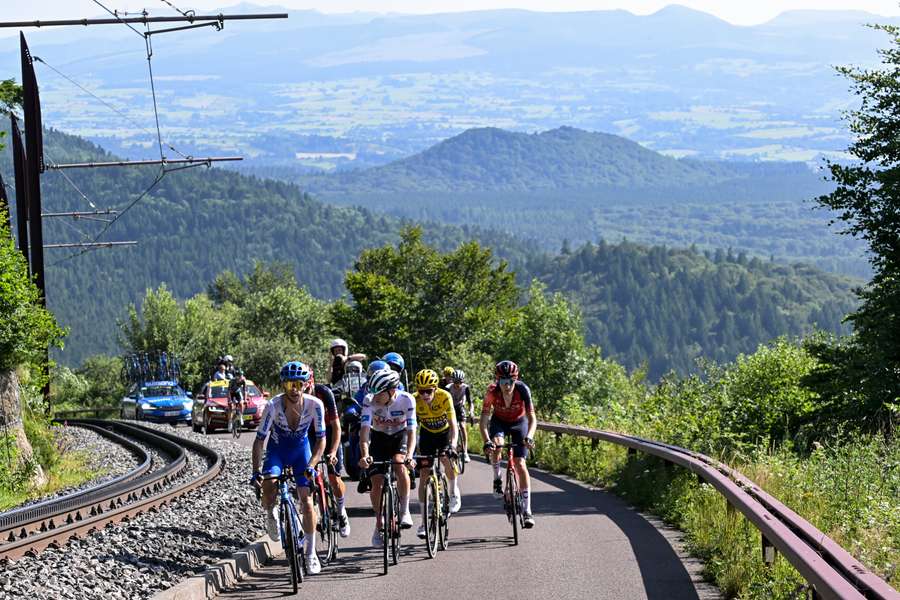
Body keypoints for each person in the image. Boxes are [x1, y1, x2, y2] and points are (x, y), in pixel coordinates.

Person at [251, 361, 327, 574]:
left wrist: (312, 465)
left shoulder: (315, 405)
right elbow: (259, 441)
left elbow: (321, 440)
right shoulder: (273, 406)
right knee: (269, 484)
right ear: (283, 385)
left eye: (299, 384)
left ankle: (311, 554)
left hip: (301, 453)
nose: (294, 390)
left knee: (307, 501)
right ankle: (270, 512)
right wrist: (256, 471)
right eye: (289, 385)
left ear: (306, 384)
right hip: (277, 451)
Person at [357, 368, 417, 547]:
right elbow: (365, 432)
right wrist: (365, 456)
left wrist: (410, 456)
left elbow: (412, 432)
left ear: (391, 391)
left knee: (400, 464)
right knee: (376, 483)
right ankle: (379, 522)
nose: (374, 397)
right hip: (379, 438)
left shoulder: (407, 399)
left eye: (378, 393)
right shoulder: (369, 400)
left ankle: (405, 510)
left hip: (400, 437)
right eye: (372, 392)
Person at [480, 360, 536, 529]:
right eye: (503, 381)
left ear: (516, 379)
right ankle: (497, 479)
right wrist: (486, 441)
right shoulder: (491, 392)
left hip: (519, 422)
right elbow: (483, 421)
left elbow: (532, 418)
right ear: (498, 381)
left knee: (520, 463)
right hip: (499, 422)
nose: (507, 385)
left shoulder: (523, 389)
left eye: (510, 381)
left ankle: (527, 511)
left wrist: (530, 437)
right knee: (497, 445)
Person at [412, 369, 461, 539]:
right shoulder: (414, 399)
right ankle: (424, 522)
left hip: (444, 433)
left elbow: (453, 424)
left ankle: (454, 492)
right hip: (426, 435)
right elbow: (410, 428)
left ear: (435, 389)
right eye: (421, 390)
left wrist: (453, 446)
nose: (425, 394)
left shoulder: (444, 396)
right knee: (424, 474)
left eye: (428, 391)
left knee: (446, 459)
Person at [307, 370, 351, 538]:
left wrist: (332, 451)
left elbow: (337, 426)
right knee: (310, 472)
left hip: (330, 430)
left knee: (333, 476)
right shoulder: (294, 397)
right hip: (310, 433)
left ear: (311, 383)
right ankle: (319, 508)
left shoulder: (325, 393)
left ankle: (341, 511)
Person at [448, 369, 474, 463]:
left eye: (459, 382)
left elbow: (470, 402)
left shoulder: (466, 388)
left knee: (463, 427)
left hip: (460, 407)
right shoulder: (448, 387)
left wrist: (471, 412)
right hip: (450, 408)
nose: (457, 384)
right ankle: (452, 447)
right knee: (451, 428)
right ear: (452, 380)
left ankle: (465, 451)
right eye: (455, 382)